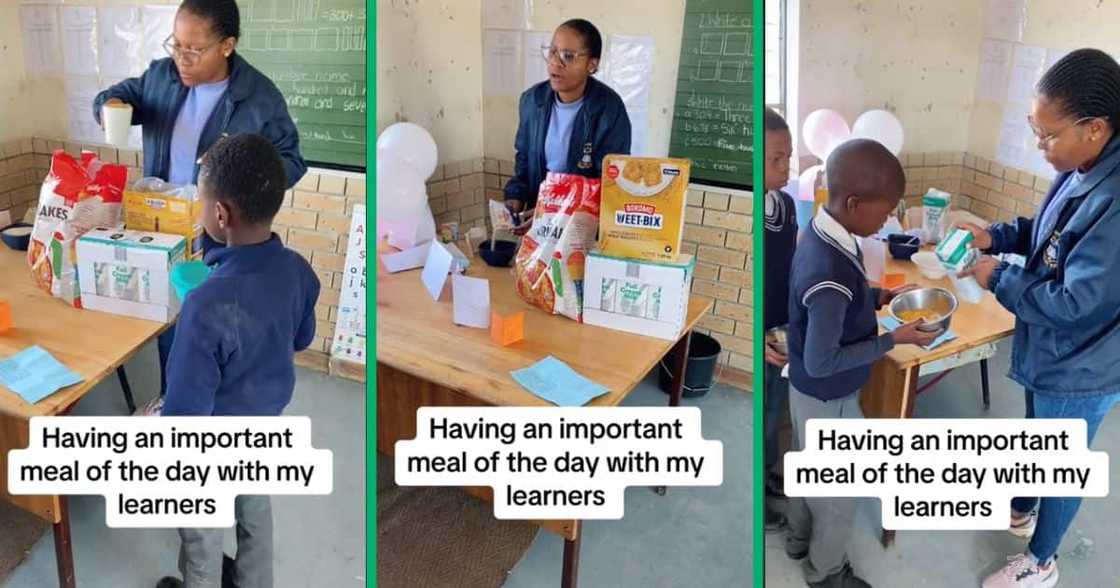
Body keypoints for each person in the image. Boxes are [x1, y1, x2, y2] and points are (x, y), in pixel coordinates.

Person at [958, 48, 1120, 588]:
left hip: (1082, 362)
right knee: (1040, 436)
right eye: (1035, 128)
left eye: (1049, 135)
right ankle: (1022, 506)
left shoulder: (1115, 199)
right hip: (1052, 349)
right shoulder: (1083, 167)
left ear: (1095, 128)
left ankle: (1042, 561)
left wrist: (998, 276)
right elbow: (1051, 234)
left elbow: (1076, 304)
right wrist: (996, 236)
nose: (1040, 144)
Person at [91, 0, 306, 405]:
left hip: (215, 235)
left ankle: (195, 414)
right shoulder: (162, 75)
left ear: (226, 45)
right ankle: (174, 397)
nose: (181, 59)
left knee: (201, 327)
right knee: (165, 324)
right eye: (176, 44)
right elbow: (121, 94)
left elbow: (291, 161)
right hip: (157, 227)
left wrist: (242, 168)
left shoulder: (258, 97)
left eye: (194, 49)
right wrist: (110, 105)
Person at [155, 134, 319, 588]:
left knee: (202, 535)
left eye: (202, 203)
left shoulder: (205, 303)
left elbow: (184, 417)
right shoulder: (298, 271)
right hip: (265, 424)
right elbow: (301, 338)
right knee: (254, 510)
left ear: (220, 214)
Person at [784, 139, 938, 588]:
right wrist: (894, 338)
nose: (888, 220)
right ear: (854, 202)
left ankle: (797, 540)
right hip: (828, 395)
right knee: (839, 496)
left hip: (806, 391)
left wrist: (877, 297)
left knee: (802, 464)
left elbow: (839, 301)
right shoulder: (828, 271)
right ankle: (825, 572)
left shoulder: (824, 229)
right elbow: (825, 357)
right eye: (885, 211)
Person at [503, 18, 631, 233]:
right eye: (552, 52)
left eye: (568, 56)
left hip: (583, 227)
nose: (555, 62)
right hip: (539, 223)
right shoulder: (532, 101)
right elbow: (524, 159)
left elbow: (609, 183)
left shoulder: (609, 110)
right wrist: (515, 196)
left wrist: (555, 209)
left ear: (592, 64)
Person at [762, 107, 797, 531]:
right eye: (775, 159)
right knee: (762, 418)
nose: (786, 166)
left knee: (775, 411)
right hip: (761, 339)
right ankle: (759, 501)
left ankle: (771, 472)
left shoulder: (786, 207)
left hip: (783, 332)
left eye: (789, 156)